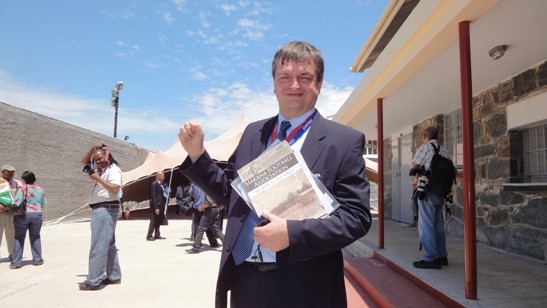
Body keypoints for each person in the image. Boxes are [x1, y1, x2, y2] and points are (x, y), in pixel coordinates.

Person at [178, 41, 371, 308]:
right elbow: (229, 193)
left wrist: (292, 234)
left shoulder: (343, 141)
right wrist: (198, 155)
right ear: (273, 83)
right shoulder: (253, 134)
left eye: (305, 77)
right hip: (245, 281)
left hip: (305, 288)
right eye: (285, 77)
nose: (294, 85)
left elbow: (356, 218)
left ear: (319, 83)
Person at [79, 143, 123, 291]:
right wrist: (92, 148)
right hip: (105, 209)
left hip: (105, 209)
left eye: (100, 158)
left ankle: (94, 280)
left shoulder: (113, 170)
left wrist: (98, 178)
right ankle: (114, 276)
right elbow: (84, 162)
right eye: (95, 160)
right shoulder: (103, 170)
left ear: (107, 155)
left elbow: (115, 188)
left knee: (98, 246)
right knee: (109, 245)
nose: (97, 162)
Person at [410, 126, 450, 269]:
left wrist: (415, 176)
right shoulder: (444, 150)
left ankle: (430, 258)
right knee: (438, 224)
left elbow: (414, 165)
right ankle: (442, 256)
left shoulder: (426, 147)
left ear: (425, 136)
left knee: (426, 224)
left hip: (427, 190)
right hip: (441, 192)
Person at [10, 171, 47, 269]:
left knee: (19, 238)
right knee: (35, 237)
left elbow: (17, 203)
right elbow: (43, 204)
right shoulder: (41, 189)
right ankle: (37, 259)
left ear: (24, 179)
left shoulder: (22, 188)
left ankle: (16, 262)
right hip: (37, 214)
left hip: (24, 215)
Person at [186, 184, 224, 254]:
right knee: (216, 230)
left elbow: (209, 202)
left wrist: (202, 207)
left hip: (209, 210)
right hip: (215, 210)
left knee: (201, 228)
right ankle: (227, 244)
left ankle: (196, 248)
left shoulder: (209, 189)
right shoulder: (216, 188)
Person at [0, 164, 21, 262]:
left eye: (12, 174)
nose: (11, 176)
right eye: (9, 174)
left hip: (11, 213)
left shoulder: (17, 183)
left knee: (11, 235)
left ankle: (12, 254)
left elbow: (21, 196)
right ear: (3, 173)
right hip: (0, 212)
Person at [147, 171, 167, 241]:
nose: (163, 177)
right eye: (162, 176)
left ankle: (157, 235)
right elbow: (153, 197)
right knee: (153, 221)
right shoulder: (154, 184)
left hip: (161, 205)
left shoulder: (161, 184)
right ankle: (149, 236)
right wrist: (156, 208)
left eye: (164, 176)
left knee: (158, 220)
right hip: (156, 206)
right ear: (158, 176)